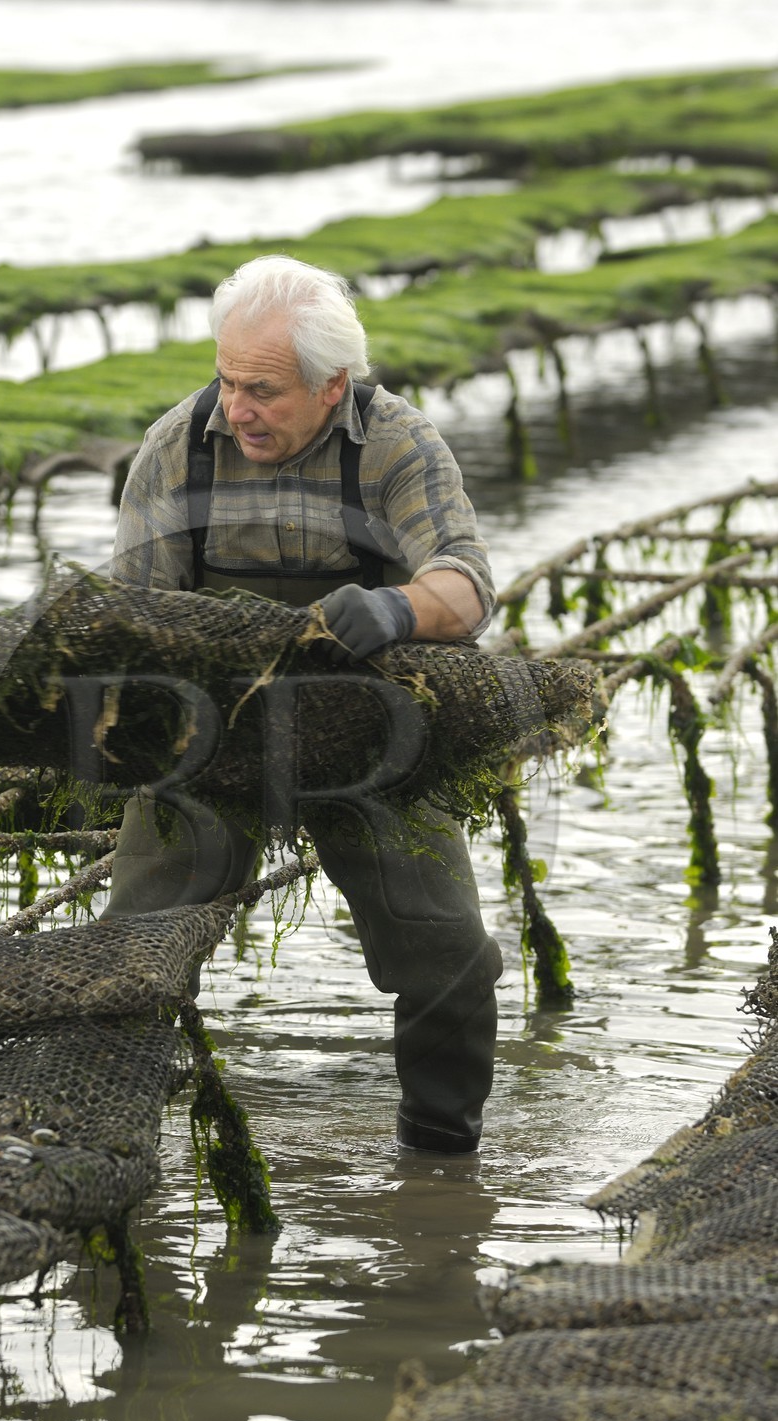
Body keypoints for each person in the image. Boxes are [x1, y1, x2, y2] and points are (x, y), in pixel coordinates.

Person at [104, 255, 503, 1154]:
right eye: (227, 380)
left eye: (263, 391)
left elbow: (469, 584)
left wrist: (396, 608)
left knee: (447, 951)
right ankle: (111, 1138)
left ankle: (439, 1168)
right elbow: (133, 616)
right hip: (210, 736)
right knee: (132, 952)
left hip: (375, 731)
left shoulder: (397, 444)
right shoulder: (178, 448)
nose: (236, 408)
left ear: (333, 386)